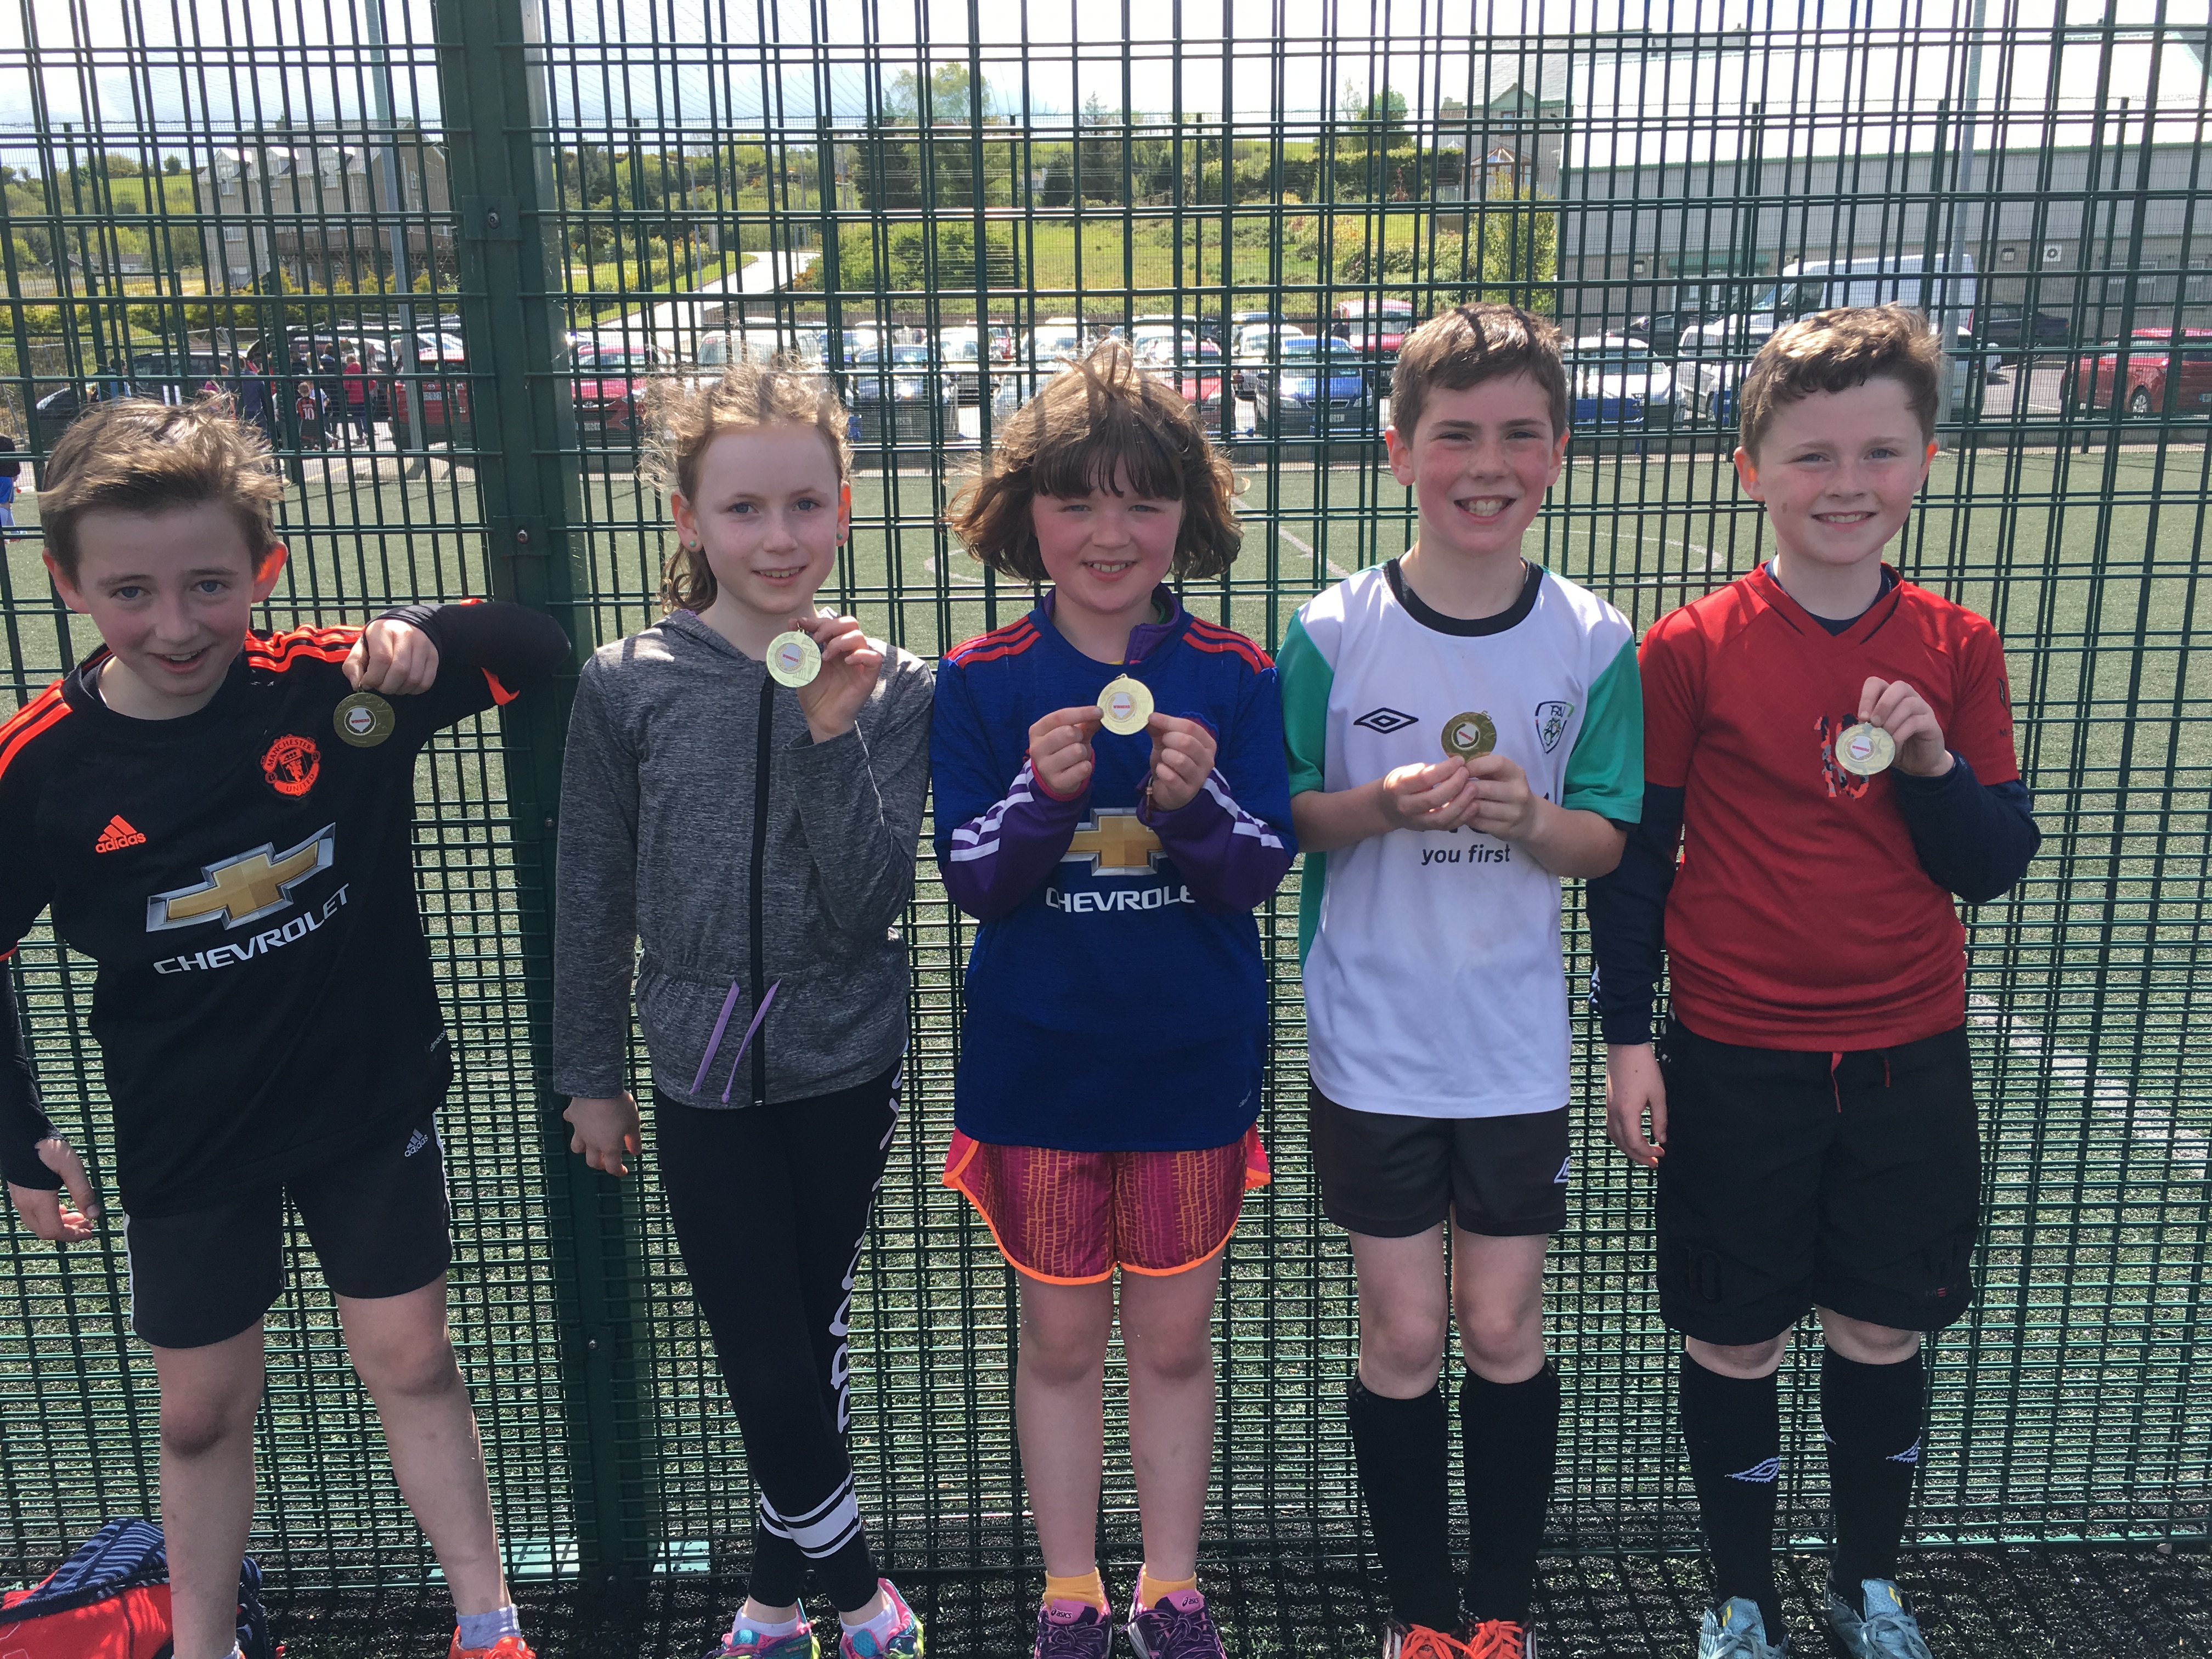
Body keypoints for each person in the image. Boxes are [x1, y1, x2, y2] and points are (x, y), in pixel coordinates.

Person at [0, 394, 572, 1659]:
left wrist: (415, 632)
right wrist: (14, 1131)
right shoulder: (41, 767)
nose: (175, 624)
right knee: (200, 1414)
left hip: (364, 1103)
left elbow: (532, 643)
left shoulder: (335, 691)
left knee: (409, 1358)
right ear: (67, 585)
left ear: (265, 568)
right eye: (130, 592)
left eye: (209, 585)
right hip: (187, 1135)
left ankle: (489, 1623)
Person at [1587, 306, 2040, 1659]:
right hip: (1736, 1058)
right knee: (1734, 1340)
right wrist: (1628, 1037)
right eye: (1813, 456)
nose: (1848, 484)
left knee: (1881, 1329)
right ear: (1753, 471)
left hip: (1909, 1056)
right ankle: (1741, 1598)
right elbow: (1637, 863)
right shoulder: (1690, 647)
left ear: (1926, 462)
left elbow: (1991, 862)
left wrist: (1932, 767)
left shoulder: (1957, 644)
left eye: (1879, 452)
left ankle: (1868, 1587)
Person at [1277, 303, 1643, 1659]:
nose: (1488, 465)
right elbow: (1288, 818)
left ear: (1559, 451)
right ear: (1399, 451)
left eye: (1520, 435)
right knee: (1403, 1335)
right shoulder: (1332, 629)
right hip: (1372, 1041)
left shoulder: (1594, 638)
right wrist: (1382, 805)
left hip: (1511, 1048)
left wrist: (1528, 821)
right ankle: (1421, 1620)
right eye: (1456, 436)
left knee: (1499, 1323)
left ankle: (1500, 1614)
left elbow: (1606, 838)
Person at [555, 363, 932, 1659]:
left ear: (844, 509)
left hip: (845, 1059)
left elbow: (869, 902)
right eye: (744, 509)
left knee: (805, 1341)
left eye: (805, 505)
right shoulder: (627, 680)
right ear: (688, 519)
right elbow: (592, 890)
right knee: (761, 1348)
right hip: (700, 1067)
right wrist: (588, 1073)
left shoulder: (892, 684)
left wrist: (830, 734)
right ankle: (861, 1596)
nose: (778, 538)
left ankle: (773, 1604)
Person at [932, 341, 1295, 1659]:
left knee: (1177, 1344)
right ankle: (1071, 1588)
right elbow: (975, 880)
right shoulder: (981, 679)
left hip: (1189, 1068)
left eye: (1143, 502)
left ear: (1186, 517)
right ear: (1023, 513)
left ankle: (1172, 1585)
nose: (1109, 532)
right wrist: (1043, 797)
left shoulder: (1236, 673)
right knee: (1061, 1342)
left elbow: (1256, 870)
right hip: (1040, 1073)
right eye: (1077, 500)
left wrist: (1195, 808)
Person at [342, 353, 372, 443]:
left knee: (357, 417)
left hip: (354, 398)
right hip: (364, 396)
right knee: (365, 415)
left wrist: (350, 390)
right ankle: (368, 434)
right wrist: (367, 389)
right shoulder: (362, 369)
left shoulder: (347, 372)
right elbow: (372, 381)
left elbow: (346, 385)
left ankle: (360, 437)